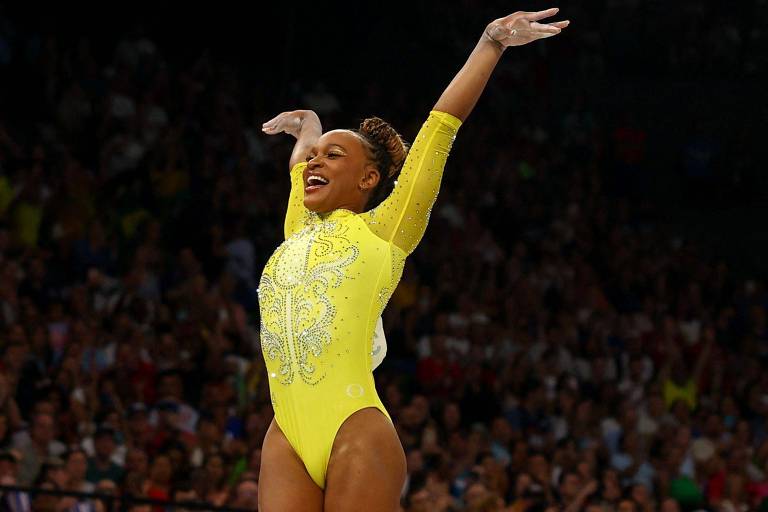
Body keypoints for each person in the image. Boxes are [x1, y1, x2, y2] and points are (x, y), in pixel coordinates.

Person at [257, 8, 569, 511]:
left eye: (333, 155)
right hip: (285, 433)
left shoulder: (387, 229)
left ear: (368, 180)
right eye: (317, 155)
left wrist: (490, 43)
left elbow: (441, 127)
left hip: (353, 428)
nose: (316, 160)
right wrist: (309, 131)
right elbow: (299, 169)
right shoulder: (297, 229)